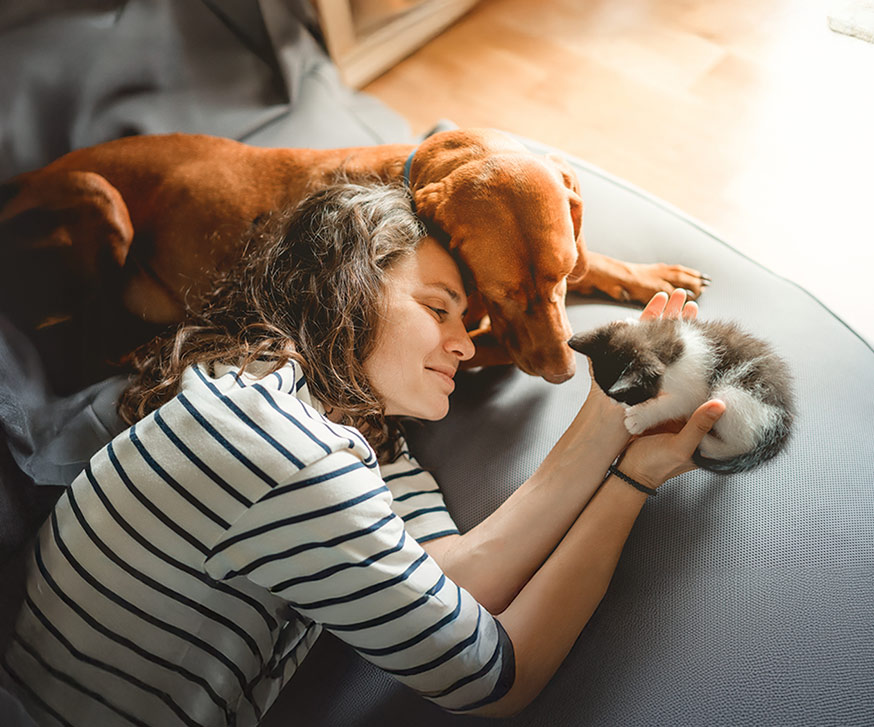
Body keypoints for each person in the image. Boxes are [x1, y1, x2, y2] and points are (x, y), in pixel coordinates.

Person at [2, 181, 725, 726]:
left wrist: (614, 430)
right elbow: (501, 674)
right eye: (437, 308)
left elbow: (465, 577)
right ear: (348, 285)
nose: (467, 343)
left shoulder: (330, 419)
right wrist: (629, 478)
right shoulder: (284, 447)